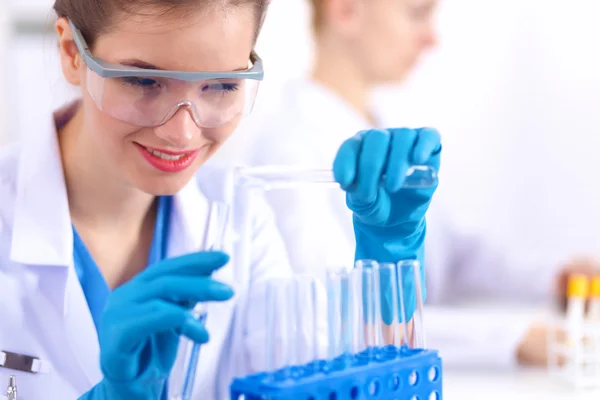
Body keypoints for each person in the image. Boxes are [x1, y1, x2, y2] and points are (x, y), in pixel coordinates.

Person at [0, 0, 442, 399]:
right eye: (142, 80)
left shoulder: (240, 221)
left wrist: (387, 271)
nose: (183, 133)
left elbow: (319, 388)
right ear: (72, 53)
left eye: (223, 86)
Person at [241, 0, 599, 368]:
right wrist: (513, 338)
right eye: (417, 13)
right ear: (346, 10)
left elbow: (456, 252)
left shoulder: (385, 124)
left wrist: (554, 278)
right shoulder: (287, 145)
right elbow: (344, 317)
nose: (431, 38)